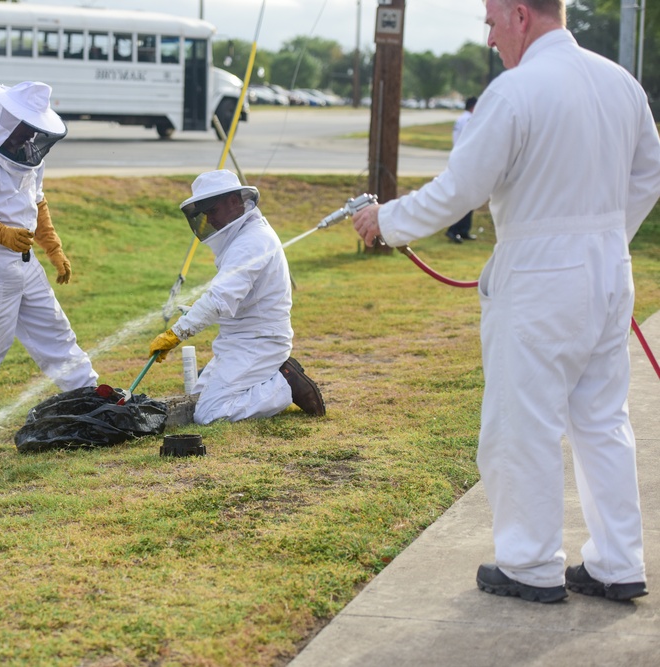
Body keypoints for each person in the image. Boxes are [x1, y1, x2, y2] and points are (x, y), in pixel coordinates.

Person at [352, 0, 660, 604]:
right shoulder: (621, 83)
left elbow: (458, 191)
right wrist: (601, 239)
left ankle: (530, 563)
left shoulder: (515, 91)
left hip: (542, 274)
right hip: (607, 270)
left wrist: (384, 220)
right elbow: (649, 173)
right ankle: (618, 563)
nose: (490, 37)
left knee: (522, 424)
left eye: (492, 22)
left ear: (520, 14)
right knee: (602, 421)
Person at [0, 81, 98, 444]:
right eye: (26, 125)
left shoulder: (30, 156)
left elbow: (38, 204)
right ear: (5, 120)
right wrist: (1, 234)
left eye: (35, 127)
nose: (31, 134)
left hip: (23, 261)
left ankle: (88, 394)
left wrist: (54, 249)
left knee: (55, 329)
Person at [148, 170, 325, 424]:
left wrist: (176, 333)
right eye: (205, 214)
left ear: (234, 202)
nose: (210, 220)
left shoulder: (252, 242)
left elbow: (219, 300)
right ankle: (266, 381)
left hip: (258, 343)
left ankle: (283, 385)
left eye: (214, 211)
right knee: (197, 399)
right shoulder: (243, 237)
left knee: (209, 415)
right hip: (237, 342)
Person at [445, 96, 478, 243]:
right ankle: (454, 230)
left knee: (470, 198)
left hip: (461, 160)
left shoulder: (462, 118)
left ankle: (464, 230)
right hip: (467, 162)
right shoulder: (469, 120)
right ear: (473, 106)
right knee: (464, 198)